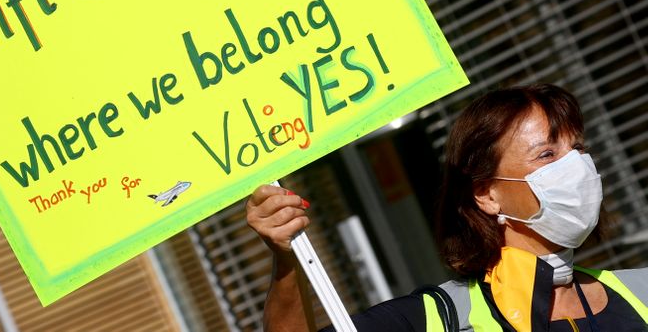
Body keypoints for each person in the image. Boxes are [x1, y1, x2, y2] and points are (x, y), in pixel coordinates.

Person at [246, 84, 648, 331]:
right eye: (546, 154)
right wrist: (286, 261)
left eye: (577, 148)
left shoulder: (639, 292)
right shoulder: (437, 320)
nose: (575, 165)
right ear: (487, 194)